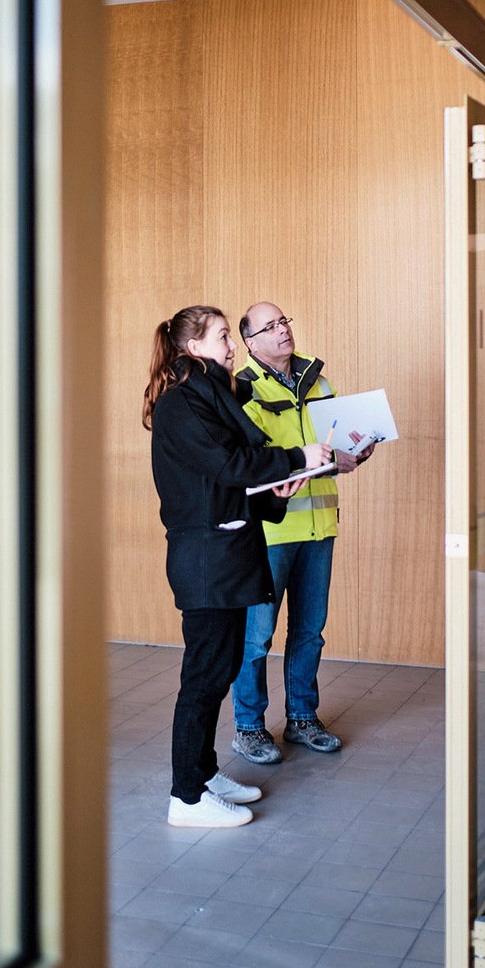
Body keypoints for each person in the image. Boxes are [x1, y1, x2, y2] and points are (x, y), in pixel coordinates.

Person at [143, 305, 333, 828]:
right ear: (193, 349)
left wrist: (278, 490)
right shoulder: (182, 405)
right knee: (204, 676)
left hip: (223, 555)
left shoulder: (209, 399)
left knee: (220, 667)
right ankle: (185, 799)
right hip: (205, 560)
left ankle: (203, 775)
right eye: (224, 337)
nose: (232, 346)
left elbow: (228, 485)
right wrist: (296, 459)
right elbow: (228, 468)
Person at [231, 303, 375, 764]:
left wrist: (355, 451)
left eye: (284, 321)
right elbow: (252, 461)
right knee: (256, 637)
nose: (281, 331)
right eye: (269, 327)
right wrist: (306, 458)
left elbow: (333, 442)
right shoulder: (241, 390)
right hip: (270, 532)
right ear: (250, 343)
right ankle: (249, 727)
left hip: (319, 526)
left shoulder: (320, 380)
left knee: (310, 630)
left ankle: (302, 719)